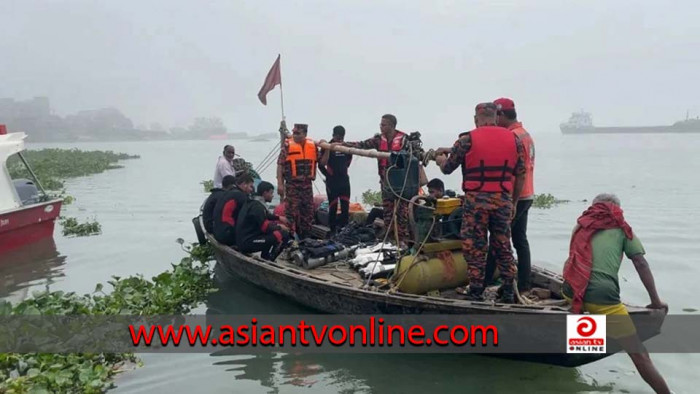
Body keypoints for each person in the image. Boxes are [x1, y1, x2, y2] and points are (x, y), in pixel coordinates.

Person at [562, 193, 670, 394]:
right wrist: (656, 301)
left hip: (571, 291)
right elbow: (640, 263)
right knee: (640, 355)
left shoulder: (580, 225)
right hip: (602, 298)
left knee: (588, 306)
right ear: (617, 210)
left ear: (594, 207)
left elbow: (571, 261)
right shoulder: (622, 229)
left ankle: (583, 335)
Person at [435, 102, 526, 303]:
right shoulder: (514, 140)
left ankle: (476, 291)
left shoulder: (466, 139)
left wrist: (440, 158)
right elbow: (521, 174)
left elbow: (447, 168)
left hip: (476, 201)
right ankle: (509, 291)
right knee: (503, 245)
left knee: (474, 246)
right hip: (502, 200)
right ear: (495, 118)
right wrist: (514, 202)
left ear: (476, 119)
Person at [485, 97, 536, 291]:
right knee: (520, 240)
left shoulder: (512, 137)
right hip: (527, 194)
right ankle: (524, 284)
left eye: (495, 117)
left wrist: (512, 201)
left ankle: (485, 281)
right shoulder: (524, 134)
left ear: (501, 115)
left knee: (498, 240)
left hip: (515, 196)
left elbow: (516, 170)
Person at [344, 114, 411, 245]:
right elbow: (362, 145)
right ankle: (390, 239)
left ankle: (402, 240)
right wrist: (344, 144)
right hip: (385, 182)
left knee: (401, 212)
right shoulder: (378, 140)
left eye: (383, 124)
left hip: (400, 183)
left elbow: (414, 156)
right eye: (380, 124)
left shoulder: (404, 140)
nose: (381, 127)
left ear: (391, 126)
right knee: (388, 212)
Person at [277, 123, 317, 238]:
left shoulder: (312, 146)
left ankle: (305, 239)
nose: (295, 135)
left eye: (298, 133)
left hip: (307, 186)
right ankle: (288, 240)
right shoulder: (287, 146)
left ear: (304, 134)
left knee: (307, 214)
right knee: (291, 214)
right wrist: (280, 184)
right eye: (294, 133)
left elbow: (322, 162)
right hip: (292, 186)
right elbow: (280, 165)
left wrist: (327, 150)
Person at [236, 181, 291, 261]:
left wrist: (279, 218)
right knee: (283, 234)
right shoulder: (257, 207)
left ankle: (265, 255)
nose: (272, 196)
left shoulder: (252, 202)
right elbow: (265, 228)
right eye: (271, 193)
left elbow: (265, 215)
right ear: (265, 193)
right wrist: (280, 227)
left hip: (243, 239)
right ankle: (271, 259)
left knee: (272, 231)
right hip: (247, 243)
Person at [318, 125, 353, 234]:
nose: (339, 140)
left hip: (344, 180)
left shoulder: (345, 147)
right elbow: (321, 164)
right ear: (333, 136)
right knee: (332, 207)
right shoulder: (326, 146)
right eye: (338, 138)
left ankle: (344, 230)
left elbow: (348, 162)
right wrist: (329, 176)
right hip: (332, 182)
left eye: (341, 138)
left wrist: (342, 170)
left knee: (345, 207)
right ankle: (332, 230)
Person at [212, 173, 255, 246]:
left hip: (217, 232)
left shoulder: (229, 192)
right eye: (251, 187)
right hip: (226, 235)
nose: (251, 190)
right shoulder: (240, 196)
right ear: (244, 184)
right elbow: (249, 215)